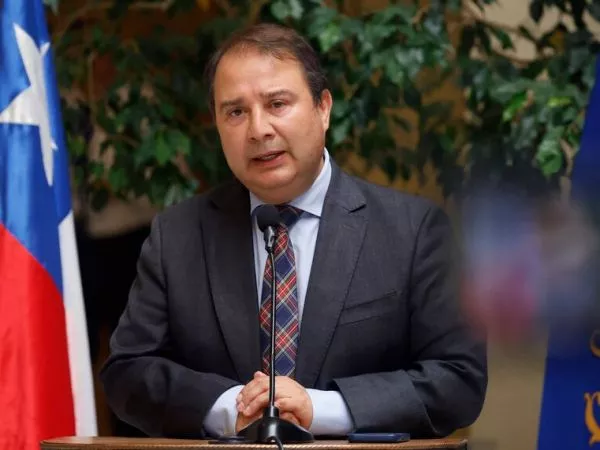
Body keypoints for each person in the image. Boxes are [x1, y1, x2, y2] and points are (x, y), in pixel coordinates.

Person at [100, 23, 487, 439]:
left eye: (277, 104)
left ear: (323, 108)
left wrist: (319, 408)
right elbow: (127, 372)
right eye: (236, 112)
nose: (258, 130)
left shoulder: (412, 230)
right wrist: (233, 408)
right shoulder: (178, 235)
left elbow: (458, 379)